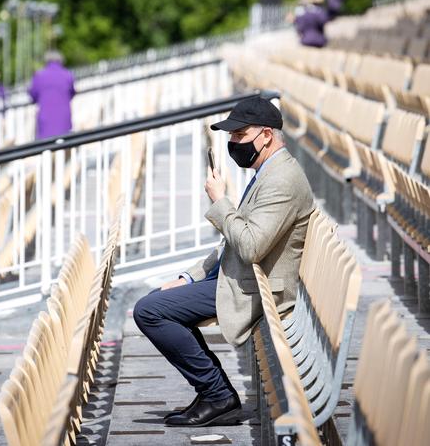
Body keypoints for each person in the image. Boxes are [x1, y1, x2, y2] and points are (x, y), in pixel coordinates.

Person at [133, 96, 315, 427]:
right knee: (156, 302)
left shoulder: (282, 180)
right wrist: (188, 278)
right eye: (230, 136)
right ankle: (214, 393)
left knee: (149, 311)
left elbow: (249, 246)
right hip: (241, 277)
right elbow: (231, 245)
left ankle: (217, 395)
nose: (233, 143)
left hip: (257, 288)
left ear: (266, 136)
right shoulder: (268, 172)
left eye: (239, 135)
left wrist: (220, 202)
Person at [28, 51, 76, 139]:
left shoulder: (39, 75)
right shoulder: (68, 74)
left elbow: (33, 95)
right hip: (63, 116)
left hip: (45, 117)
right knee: (65, 141)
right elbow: (72, 93)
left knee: (47, 145)